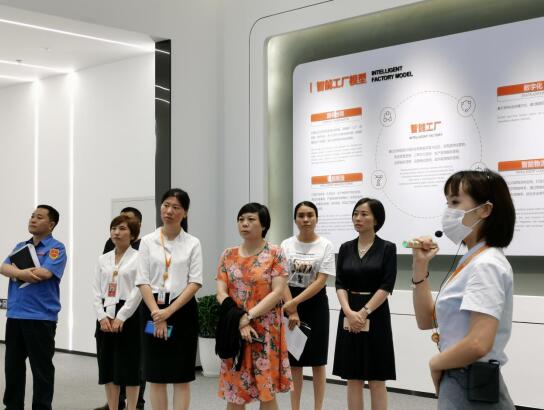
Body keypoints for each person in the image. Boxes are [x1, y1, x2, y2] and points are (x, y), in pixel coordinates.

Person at [411, 170, 516, 409]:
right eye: (447, 203)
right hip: (460, 375)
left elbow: (479, 342)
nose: (448, 211)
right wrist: (420, 265)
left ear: (484, 210)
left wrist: (436, 363)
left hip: (469, 377)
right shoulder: (472, 260)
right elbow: (426, 320)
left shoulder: (487, 264)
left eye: (455, 202)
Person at [216, 202, 292, 409]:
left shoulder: (275, 253)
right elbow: (221, 292)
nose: (244, 224)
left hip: (265, 329)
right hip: (235, 327)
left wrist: (247, 316)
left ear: (264, 225)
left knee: (266, 391)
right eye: (241, 219)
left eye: (251, 219)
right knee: (235, 391)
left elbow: (278, 292)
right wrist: (239, 319)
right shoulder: (228, 254)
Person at [135, 188, 202, 410]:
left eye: (176, 207)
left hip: (182, 310)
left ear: (185, 212)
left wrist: (168, 312)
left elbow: (195, 282)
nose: (169, 211)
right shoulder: (148, 241)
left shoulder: (192, 242)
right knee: (156, 374)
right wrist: (158, 313)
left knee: (181, 375)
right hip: (152, 308)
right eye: (166, 205)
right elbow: (142, 280)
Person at [0, 205, 67, 410]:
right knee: (12, 367)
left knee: (41, 369)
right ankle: (12, 406)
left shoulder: (56, 248)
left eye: (39, 217)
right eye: (32, 216)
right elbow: (3, 266)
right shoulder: (21, 246)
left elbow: (44, 273)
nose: (33, 220)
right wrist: (21, 274)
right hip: (16, 315)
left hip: (41, 317)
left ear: (51, 224)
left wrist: (16, 272)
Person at [333, 198, 397, 410]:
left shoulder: (387, 248)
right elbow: (340, 283)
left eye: (364, 214)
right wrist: (348, 311)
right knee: (353, 378)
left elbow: (387, 285)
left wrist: (363, 312)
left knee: (377, 379)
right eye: (355, 213)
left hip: (375, 314)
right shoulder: (345, 248)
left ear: (376, 220)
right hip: (349, 312)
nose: (358, 218)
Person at [280, 201, 335, 410]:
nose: (306, 219)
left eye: (310, 215)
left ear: (316, 218)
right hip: (290, 299)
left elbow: (321, 281)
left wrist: (293, 304)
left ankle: (317, 407)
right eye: (301, 215)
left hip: (316, 304)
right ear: (295, 219)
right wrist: (292, 308)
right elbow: (281, 278)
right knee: (295, 362)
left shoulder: (326, 245)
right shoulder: (286, 244)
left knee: (318, 362)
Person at [96, 207, 145, 410]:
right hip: (105, 313)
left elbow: (139, 289)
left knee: (130, 367)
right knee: (108, 368)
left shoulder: (140, 257)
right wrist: (101, 316)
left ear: (132, 234)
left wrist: (122, 316)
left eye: (122, 228)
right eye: (114, 228)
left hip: (130, 314)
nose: (116, 232)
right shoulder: (103, 258)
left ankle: (132, 407)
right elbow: (96, 289)